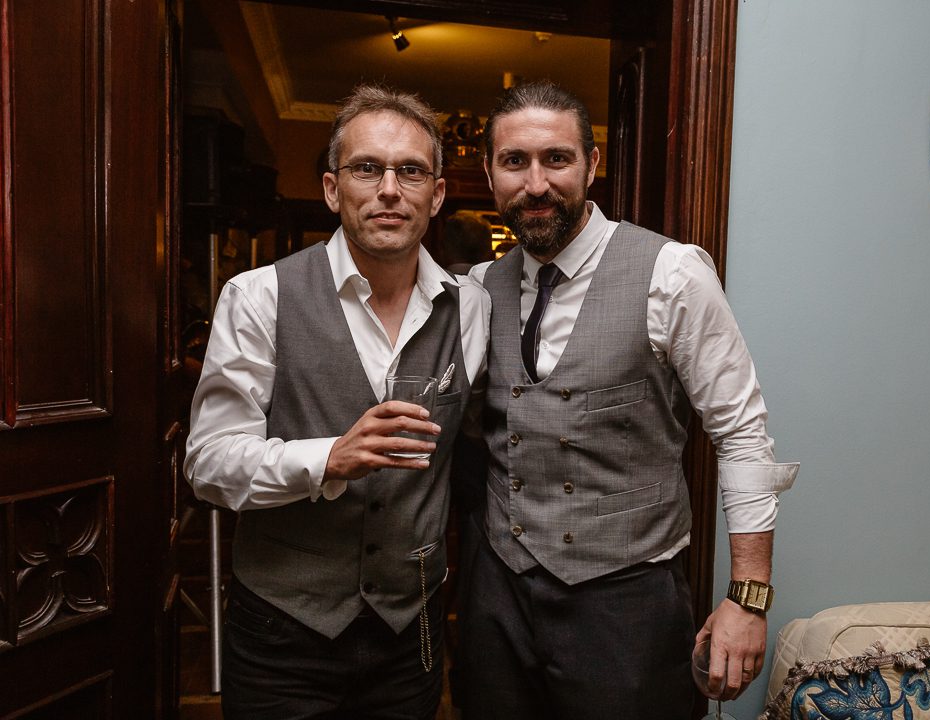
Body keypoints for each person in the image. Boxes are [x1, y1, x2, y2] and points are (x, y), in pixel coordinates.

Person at [459, 80, 799, 720]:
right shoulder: (479, 288)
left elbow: (742, 434)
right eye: (515, 161)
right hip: (499, 598)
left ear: (592, 164)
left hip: (627, 605)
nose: (536, 183)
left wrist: (748, 599)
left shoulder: (673, 274)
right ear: (490, 173)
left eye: (557, 159)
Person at [184, 83, 489, 720]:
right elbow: (209, 463)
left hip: (412, 630)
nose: (389, 189)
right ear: (331, 189)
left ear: (436, 195)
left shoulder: (473, 309)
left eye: (410, 171)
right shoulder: (259, 296)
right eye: (366, 168)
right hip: (283, 633)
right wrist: (327, 459)